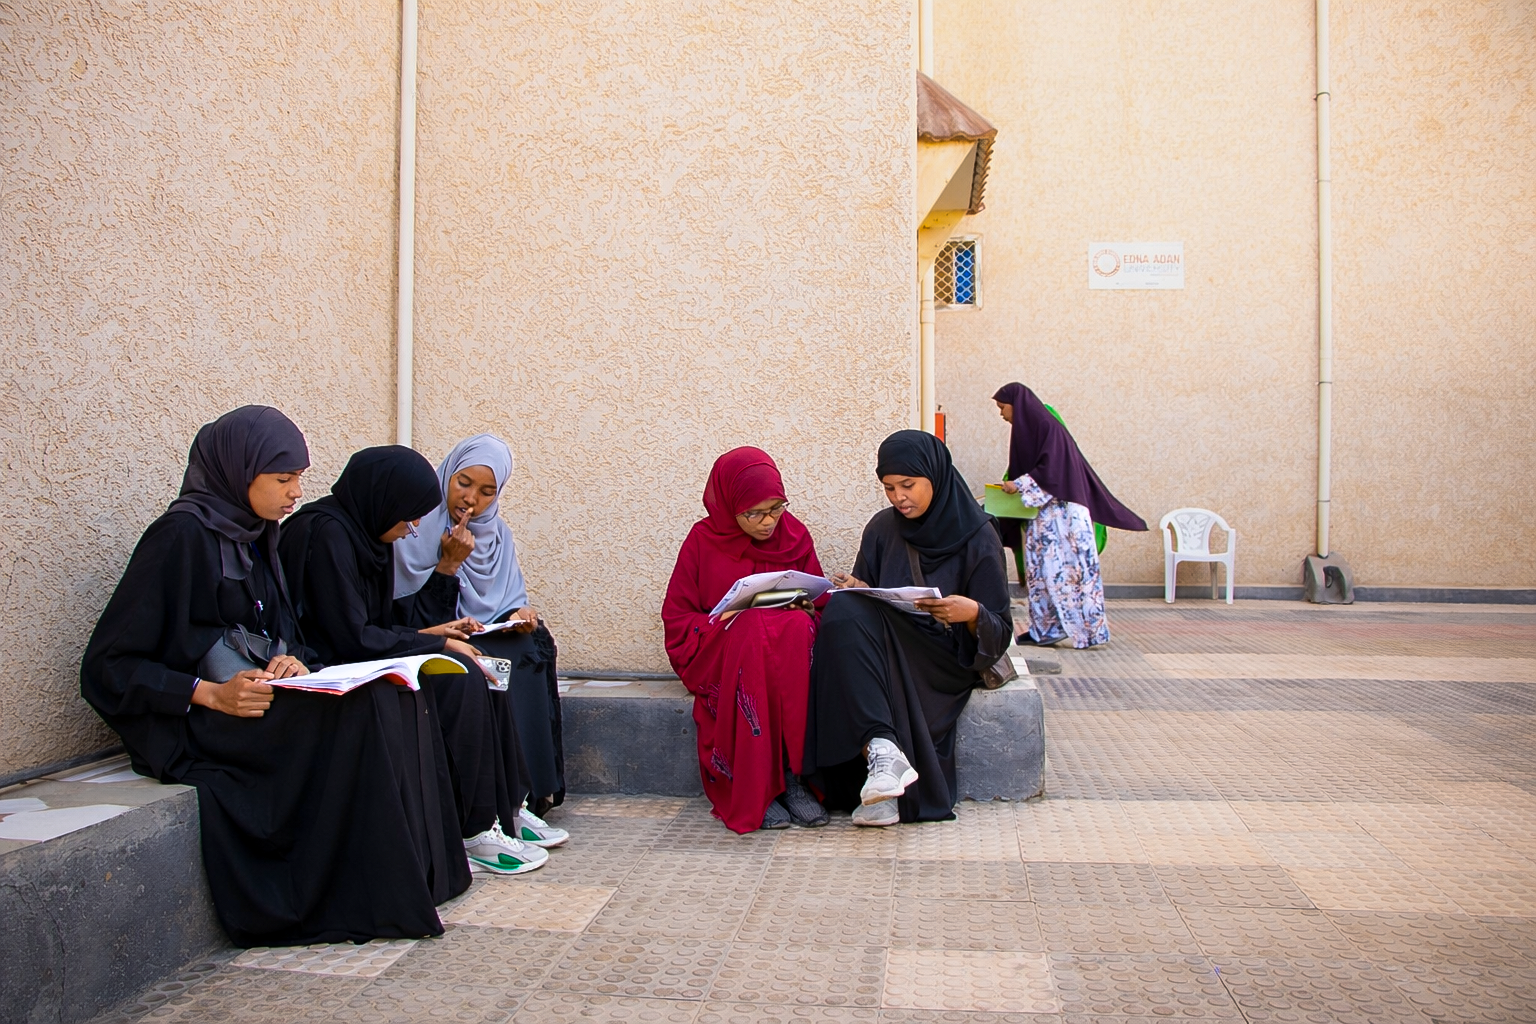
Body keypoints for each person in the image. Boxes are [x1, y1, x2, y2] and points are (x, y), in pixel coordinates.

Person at [81, 407, 470, 946]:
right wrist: (209, 694)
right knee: (357, 717)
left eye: (298, 479)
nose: (295, 493)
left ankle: (418, 883)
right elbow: (107, 667)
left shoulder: (257, 535)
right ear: (240, 473)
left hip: (260, 696)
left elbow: (281, 632)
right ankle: (347, 897)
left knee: (393, 693)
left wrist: (291, 660)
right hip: (195, 718)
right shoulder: (180, 537)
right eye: (283, 479)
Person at [278, 445, 550, 876]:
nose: (412, 530)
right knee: (461, 677)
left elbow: (380, 622)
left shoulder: (369, 534)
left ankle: (506, 807)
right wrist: (433, 643)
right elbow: (349, 637)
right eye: (409, 518)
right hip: (327, 668)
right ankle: (475, 829)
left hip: (364, 654)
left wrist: (431, 633)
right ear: (384, 500)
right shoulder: (326, 534)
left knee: (486, 668)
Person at [804, 430, 1012, 827]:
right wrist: (862, 589)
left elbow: (999, 630)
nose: (899, 497)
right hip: (893, 642)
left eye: (908, 485)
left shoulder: (979, 535)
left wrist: (970, 613)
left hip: (945, 657)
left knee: (856, 649)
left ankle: (881, 773)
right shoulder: (883, 528)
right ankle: (882, 752)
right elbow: (873, 598)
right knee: (843, 608)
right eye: (888, 487)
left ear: (935, 475)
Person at [393, 434, 570, 835]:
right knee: (496, 662)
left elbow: (508, 596)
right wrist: (448, 565)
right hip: (431, 635)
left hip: (484, 631)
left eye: (487, 491)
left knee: (532, 643)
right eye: (464, 483)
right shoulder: (415, 530)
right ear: (446, 476)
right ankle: (499, 799)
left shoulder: (497, 533)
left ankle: (530, 794)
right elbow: (406, 615)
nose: (472, 499)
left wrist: (521, 612)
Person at [662, 447, 830, 833]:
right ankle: (759, 787)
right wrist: (725, 619)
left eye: (776, 508)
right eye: (753, 512)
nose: (769, 521)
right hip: (726, 649)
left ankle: (792, 776)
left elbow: (819, 602)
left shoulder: (795, 534)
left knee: (793, 629)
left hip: (787, 650)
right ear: (728, 504)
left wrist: (805, 609)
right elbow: (677, 617)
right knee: (753, 628)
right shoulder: (703, 540)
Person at [992, 382, 1147, 649]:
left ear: (1018, 406)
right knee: (1043, 574)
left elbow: (1052, 470)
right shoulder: (1036, 432)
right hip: (1045, 521)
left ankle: (1088, 632)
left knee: (1071, 575)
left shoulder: (1048, 429)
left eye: (1002, 407)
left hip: (1065, 522)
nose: (1001, 414)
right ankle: (1045, 630)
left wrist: (1018, 486)